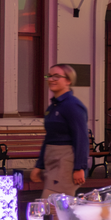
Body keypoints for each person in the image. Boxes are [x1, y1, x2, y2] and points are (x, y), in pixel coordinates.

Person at [29, 64, 90, 196]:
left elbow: (81, 138)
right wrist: (39, 165)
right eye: (49, 76)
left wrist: (80, 167)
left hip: (66, 161)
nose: (51, 79)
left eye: (56, 76)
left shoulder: (73, 105)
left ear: (68, 81)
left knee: (52, 203)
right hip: (51, 160)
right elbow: (49, 137)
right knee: (58, 207)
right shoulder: (53, 107)